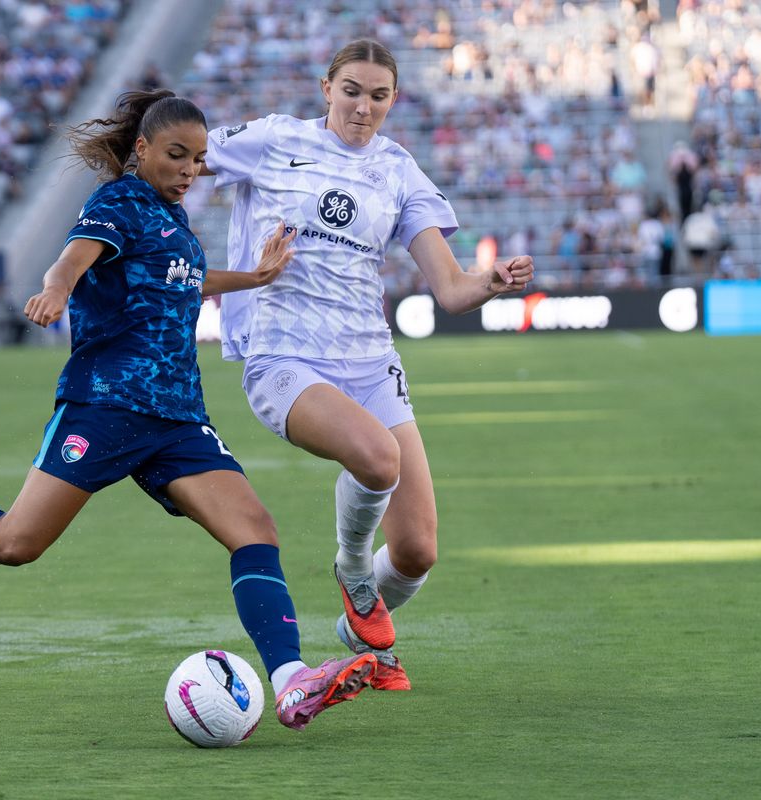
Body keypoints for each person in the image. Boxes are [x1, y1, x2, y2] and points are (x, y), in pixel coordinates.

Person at [0, 90, 377, 732]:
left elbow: (184, 278)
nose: (190, 170)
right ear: (141, 149)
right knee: (15, 542)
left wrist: (251, 278)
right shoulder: (116, 203)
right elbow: (72, 259)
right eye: (176, 155)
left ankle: (290, 681)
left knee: (255, 530)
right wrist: (55, 290)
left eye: (198, 159)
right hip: (104, 405)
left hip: (176, 417)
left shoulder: (173, 221)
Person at [201, 39, 534, 691]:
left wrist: (490, 281)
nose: (363, 106)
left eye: (378, 95)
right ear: (327, 88)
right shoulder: (271, 140)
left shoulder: (399, 171)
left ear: (393, 101)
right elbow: (177, 161)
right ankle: (353, 572)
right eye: (351, 90)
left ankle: (359, 632)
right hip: (285, 357)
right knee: (379, 459)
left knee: (416, 552)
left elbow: (451, 288)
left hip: (370, 361)